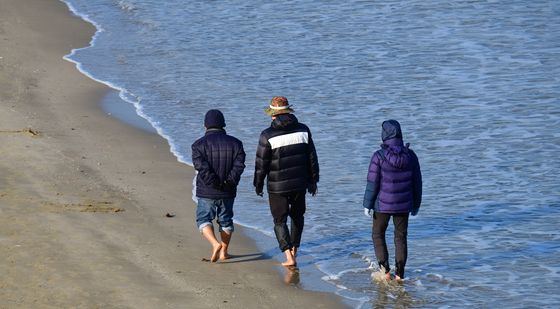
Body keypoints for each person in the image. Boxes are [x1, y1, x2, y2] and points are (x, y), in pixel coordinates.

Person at [254, 96, 319, 267]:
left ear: (273, 115)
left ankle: (288, 256)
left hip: (277, 187)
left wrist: (258, 184)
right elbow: (312, 158)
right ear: (289, 112)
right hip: (300, 184)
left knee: (279, 220)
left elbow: (261, 164)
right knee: (298, 217)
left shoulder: (267, 135)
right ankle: (295, 250)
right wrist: (314, 181)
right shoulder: (303, 130)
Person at [363, 119, 422, 281]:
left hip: (382, 205)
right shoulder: (411, 155)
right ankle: (400, 275)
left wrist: (367, 204)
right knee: (401, 237)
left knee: (377, 234)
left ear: (384, 135)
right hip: (404, 205)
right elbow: (417, 182)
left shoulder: (378, 156)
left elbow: (372, 183)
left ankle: (386, 271)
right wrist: (416, 204)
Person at [192, 109, 246, 262]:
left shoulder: (198, 145)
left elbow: (201, 167)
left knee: (203, 219)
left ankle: (215, 244)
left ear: (205, 126)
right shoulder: (236, 143)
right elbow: (239, 167)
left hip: (207, 190)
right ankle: (224, 252)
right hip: (228, 190)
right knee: (226, 220)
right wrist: (229, 182)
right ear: (223, 125)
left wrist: (213, 183)